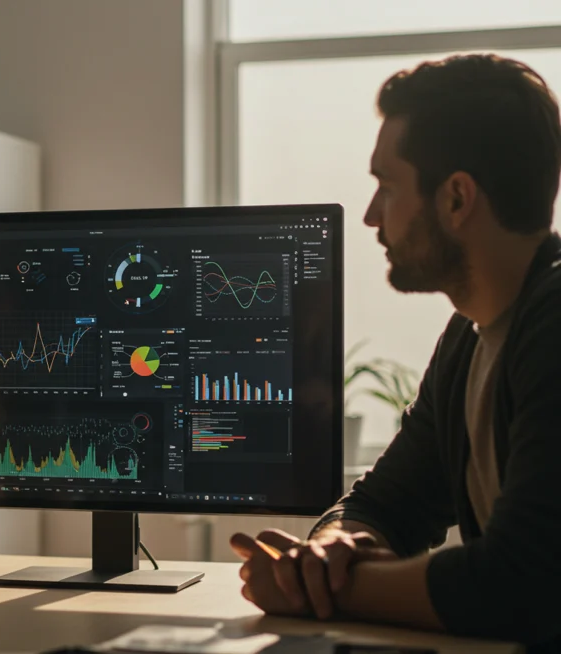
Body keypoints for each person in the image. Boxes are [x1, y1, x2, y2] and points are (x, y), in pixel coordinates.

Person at [232, 53, 561, 649]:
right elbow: (384, 502)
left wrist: (320, 588)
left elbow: (523, 580)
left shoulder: (555, 322)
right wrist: (333, 548)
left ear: (457, 199)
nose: (369, 215)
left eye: (386, 186)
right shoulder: (471, 335)